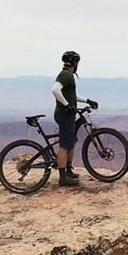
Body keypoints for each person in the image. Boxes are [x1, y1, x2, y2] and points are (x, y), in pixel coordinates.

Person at [51, 50, 98, 187]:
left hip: (67, 115)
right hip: (64, 115)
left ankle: (68, 170)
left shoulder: (68, 75)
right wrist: (66, 105)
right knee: (65, 145)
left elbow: (71, 95)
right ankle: (62, 178)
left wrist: (87, 100)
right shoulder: (66, 75)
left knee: (72, 141)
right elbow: (55, 90)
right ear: (74, 63)